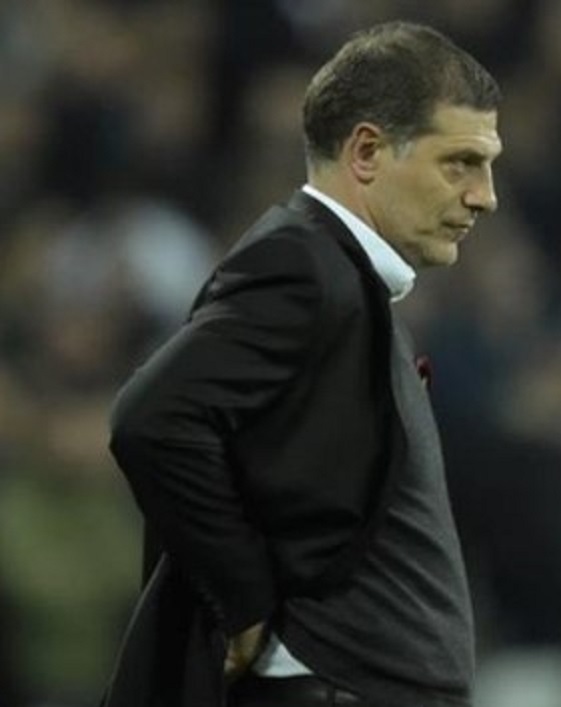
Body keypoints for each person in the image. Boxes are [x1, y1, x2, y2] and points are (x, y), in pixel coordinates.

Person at [101, 20, 502, 707]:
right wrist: (243, 599)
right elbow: (152, 418)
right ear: (367, 152)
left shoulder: (344, 282)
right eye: (460, 162)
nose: (484, 195)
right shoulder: (305, 268)